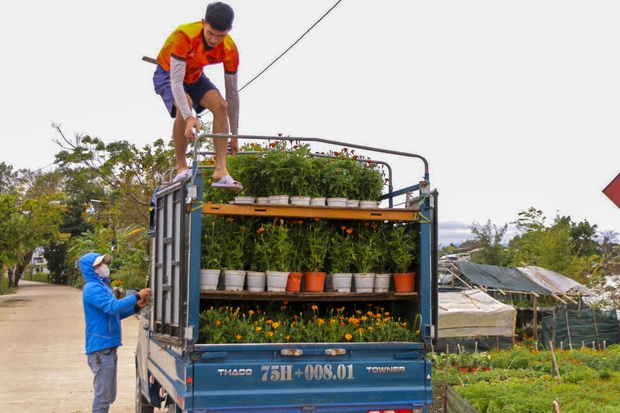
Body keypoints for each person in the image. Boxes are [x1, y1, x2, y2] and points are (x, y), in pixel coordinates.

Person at [153, 1, 243, 190]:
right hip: (168, 74)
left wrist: (234, 134)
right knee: (184, 101)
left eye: (221, 35)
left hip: (195, 76)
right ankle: (181, 167)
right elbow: (176, 83)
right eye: (210, 33)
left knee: (221, 106)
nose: (214, 40)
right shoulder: (184, 35)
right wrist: (189, 117)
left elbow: (232, 95)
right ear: (204, 23)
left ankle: (221, 170)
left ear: (229, 30)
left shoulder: (229, 49)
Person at [78, 252, 152, 413]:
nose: (103, 266)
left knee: (109, 396)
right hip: (101, 349)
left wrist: (136, 306)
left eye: (103, 263)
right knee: (103, 398)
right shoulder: (92, 288)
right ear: (90, 269)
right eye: (98, 264)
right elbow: (112, 307)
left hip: (108, 347)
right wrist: (137, 296)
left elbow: (115, 314)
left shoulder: (103, 286)